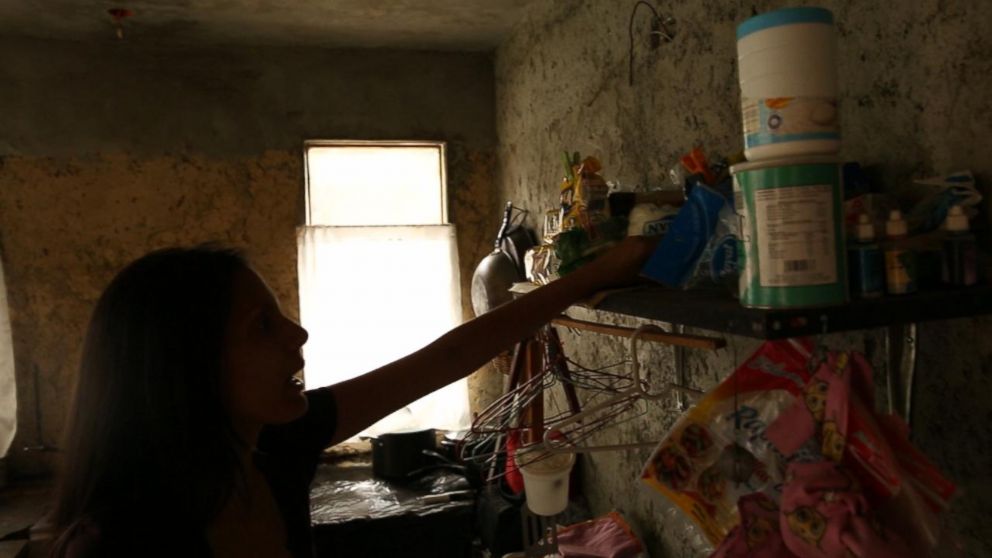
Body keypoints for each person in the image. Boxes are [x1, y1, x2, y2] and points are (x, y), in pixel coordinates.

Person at [49, 236, 656, 557]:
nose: (299, 334)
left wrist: (595, 276)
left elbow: (445, 359)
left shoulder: (272, 450)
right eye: (263, 325)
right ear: (183, 366)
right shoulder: (117, 542)